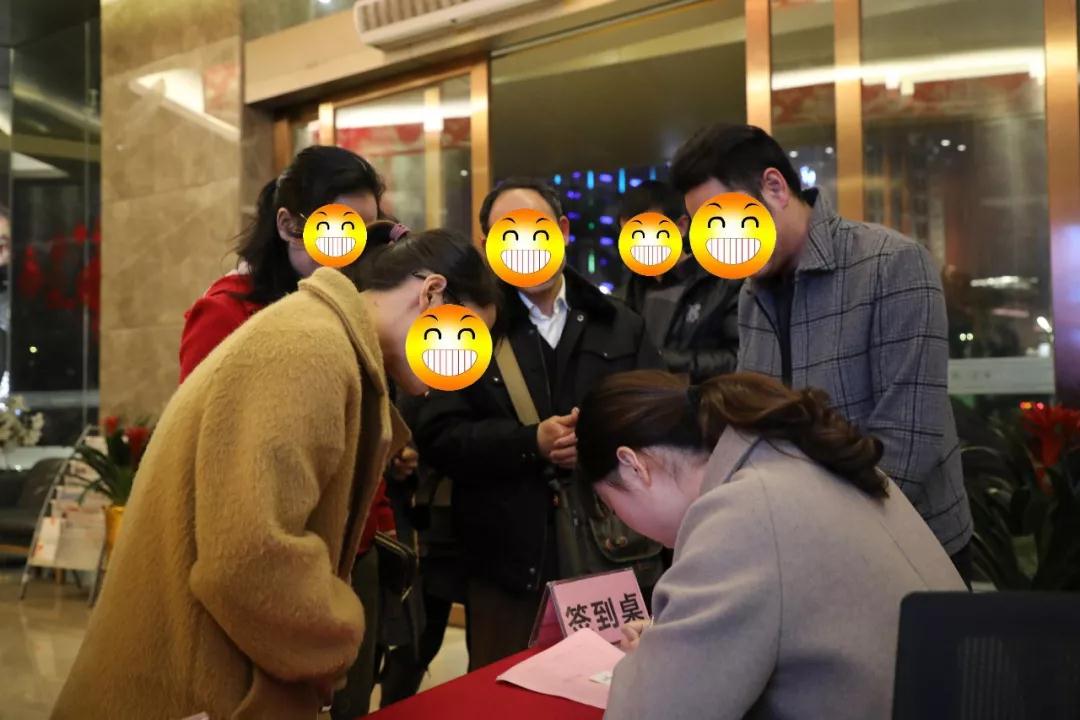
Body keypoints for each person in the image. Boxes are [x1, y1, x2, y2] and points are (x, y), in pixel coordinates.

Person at [52, 229, 499, 720]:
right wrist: (338, 641)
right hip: (187, 684)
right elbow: (249, 554)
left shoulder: (323, 339)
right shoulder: (311, 349)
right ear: (432, 293)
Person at [671, 124, 973, 580]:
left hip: (913, 545)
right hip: (806, 549)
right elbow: (756, 425)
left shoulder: (890, 263)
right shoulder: (752, 294)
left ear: (774, 187)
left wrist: (820, 539)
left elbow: (910, 440)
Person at [575, 370, 965, 719]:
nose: (629, 525)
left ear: (633, 466)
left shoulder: (741, 513)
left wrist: (648, 662)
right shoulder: (797, 460)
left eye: (612, 505)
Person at [177, 147, 407, 719]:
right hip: (270, 565)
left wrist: (385, 485)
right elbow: (209, 451)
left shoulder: (348, 309)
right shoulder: (226, 312)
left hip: (352, 552)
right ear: (287, 224)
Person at [412, 177, 665, 670]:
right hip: (504, 566)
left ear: (563, 231)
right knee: (506, 690)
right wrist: (530, 442)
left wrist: (599, 441)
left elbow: (657, 421)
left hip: (609, 554)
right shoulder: (467, 328)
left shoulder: (619, 323)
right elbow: (438, 436)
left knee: (610, 688)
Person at [618, 180, 740, 383]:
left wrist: (660, 359)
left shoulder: (722, 282)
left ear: (681, 226)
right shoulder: (630, 291)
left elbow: (738, 358)